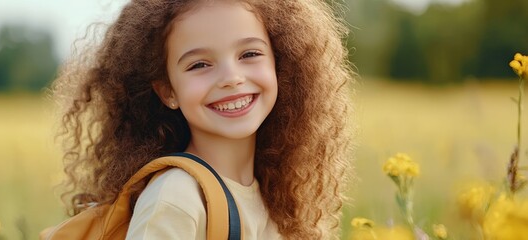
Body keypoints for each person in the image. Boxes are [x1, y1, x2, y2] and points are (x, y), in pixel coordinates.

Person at [51, 0, 353, 239]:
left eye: (249, 54)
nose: (231, 78)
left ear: (280, 63)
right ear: (168, 90)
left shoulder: (278, 200)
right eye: (199, 64)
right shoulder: (176, 197)